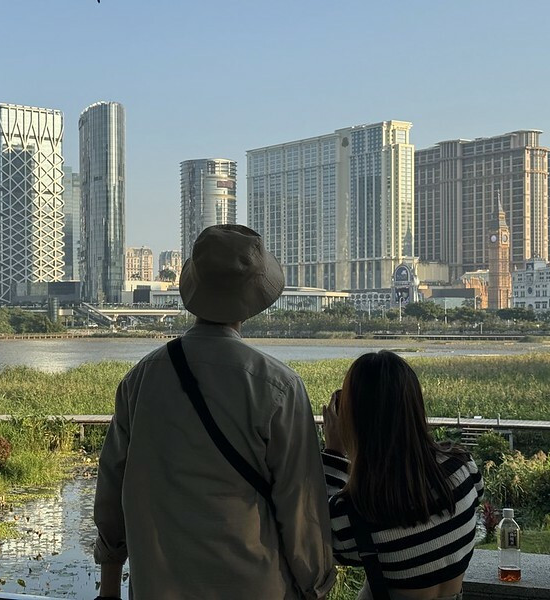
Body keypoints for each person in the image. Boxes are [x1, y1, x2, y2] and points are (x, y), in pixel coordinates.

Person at [93, 224, 335, 600]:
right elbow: (302, 511)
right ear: (253, 298)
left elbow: (111, 493)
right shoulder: (278, 387)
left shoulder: (139, 380)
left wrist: (109, 592)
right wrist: (316, 588)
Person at [321, 351, 484, 600]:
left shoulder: (356, 512)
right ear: (415, 405)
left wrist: (334, 452)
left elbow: (318, 540)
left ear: (353, 419)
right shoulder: (462, 467)